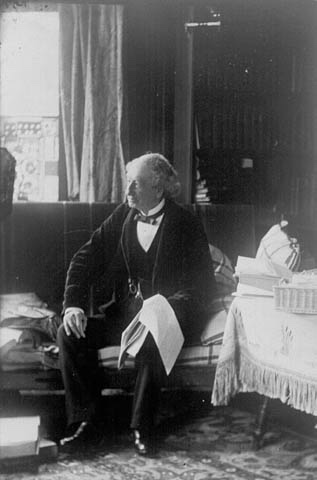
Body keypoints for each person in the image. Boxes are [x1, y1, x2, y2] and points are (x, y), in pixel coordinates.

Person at [57, 153, 216, 455]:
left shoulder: (186, 223)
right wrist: (73, 305)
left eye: (136, 184)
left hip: (171, 317)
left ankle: (143, 426)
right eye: (128, 183)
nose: (128, 191)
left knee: (151, 333)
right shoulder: (124, 215)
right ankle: (86, 423)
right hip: (127, 314)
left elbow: (203, 287)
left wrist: (165, 306)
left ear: (158, 188)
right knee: (69, 334)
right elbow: (83, 259)